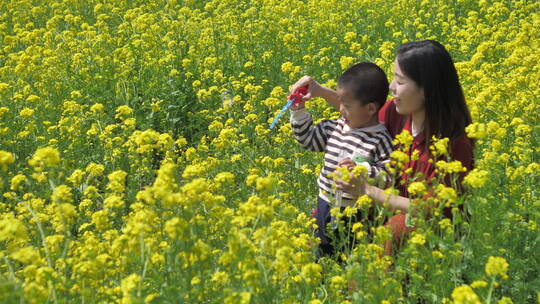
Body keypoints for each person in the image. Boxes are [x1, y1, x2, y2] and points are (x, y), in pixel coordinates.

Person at [290, 40, 474, 257]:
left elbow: (427, 210)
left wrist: (366, 190)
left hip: (430, 235)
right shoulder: (398, 112)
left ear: (426, 89)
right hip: (378, 211)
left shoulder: (455, 145)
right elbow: (360, 115)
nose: (391, 87)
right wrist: (320, 91)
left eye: (400, 80)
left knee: (397, 228)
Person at [289, 62, 394, 260]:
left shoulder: (380, 139)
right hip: (325, 203)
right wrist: (299, 111)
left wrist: (362, 170)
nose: (341, 109)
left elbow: (388, 174)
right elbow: (308, 140)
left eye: (346, 105)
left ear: (370, 108)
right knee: (320, 253)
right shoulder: (335, 127)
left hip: (356, 213)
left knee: (350, 257)